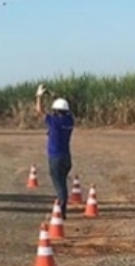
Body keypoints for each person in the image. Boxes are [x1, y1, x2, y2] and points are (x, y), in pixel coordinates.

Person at [35, 84, 75, 218]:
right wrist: (54, 96)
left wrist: (39, 96)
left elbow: (39, 111)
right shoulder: (70, 120)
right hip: (66, 158)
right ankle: (61, 207)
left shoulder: (54, 121)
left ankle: (61, 212)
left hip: (56, 158)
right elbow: (64, 110)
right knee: (62, 183)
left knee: (60, 187)